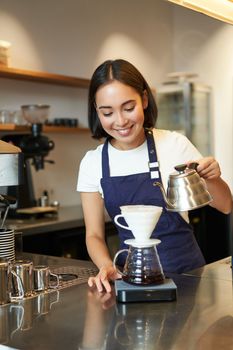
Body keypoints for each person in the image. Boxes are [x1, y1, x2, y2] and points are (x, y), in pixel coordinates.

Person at [77, 59, 232, 293]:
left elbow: (225, 206)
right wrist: (106, 265)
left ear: (145, 100)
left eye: (128, 108)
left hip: (187, 275)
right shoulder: (92, 162)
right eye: (107, 112)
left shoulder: (174, 144)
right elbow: (94, 235)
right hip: (131, 277)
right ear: (97, 112)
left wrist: (213, 178)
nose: (120, 121)